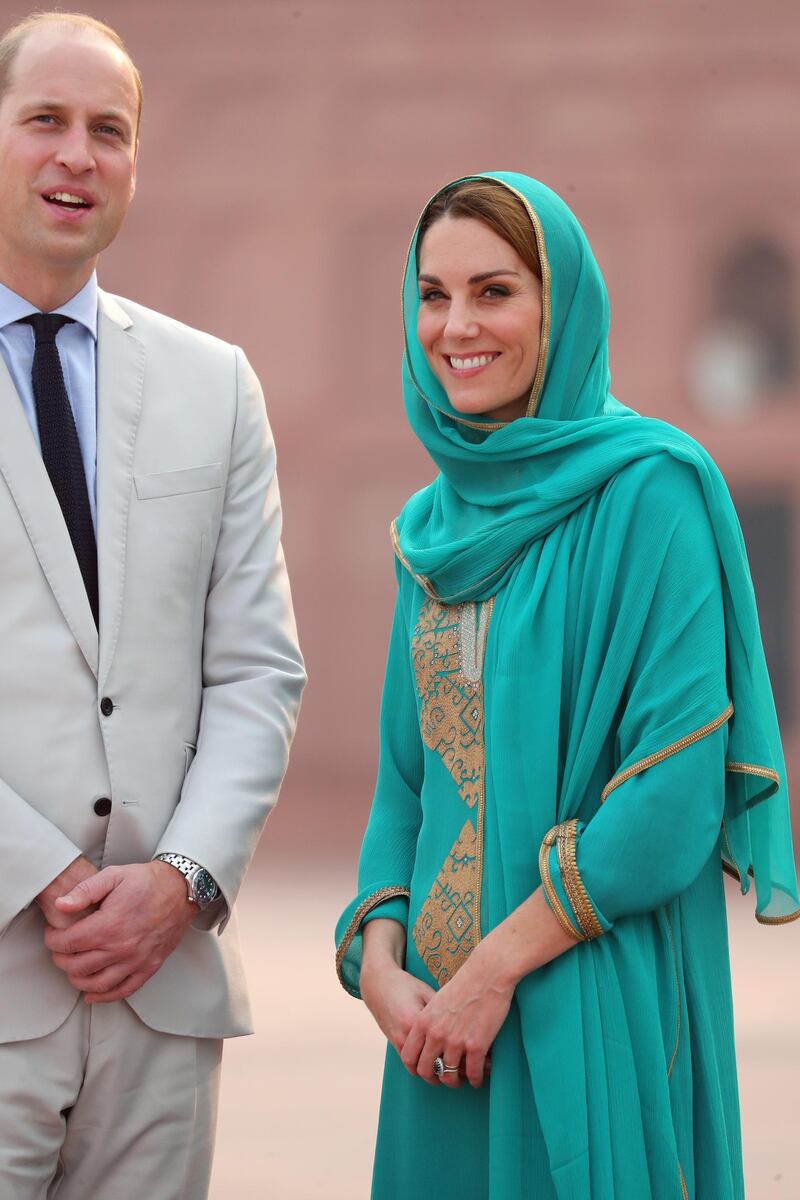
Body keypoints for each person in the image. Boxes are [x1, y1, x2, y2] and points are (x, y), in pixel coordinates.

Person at [335, 172, 800, 1200]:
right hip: (434, 1041)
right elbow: (406, 784)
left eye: (494, 291)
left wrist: (491, 974)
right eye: (431, 294)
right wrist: (377, 965)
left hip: (584, 1004)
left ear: (563, 305)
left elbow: (670, 798)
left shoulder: (649, 491)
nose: (454, 326)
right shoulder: (431, 528)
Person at [0, 12, 305, 1199]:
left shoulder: (211, 384)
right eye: (46, 122)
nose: (79, 155)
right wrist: (48, 877)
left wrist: (178, 879)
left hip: (161, 1004)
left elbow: (256, 670)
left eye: (110, 131)